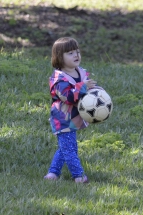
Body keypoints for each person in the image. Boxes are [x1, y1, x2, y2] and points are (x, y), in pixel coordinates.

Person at [44, 37, 96, 183]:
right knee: (70, 149)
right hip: (62, 119)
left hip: (75, 118)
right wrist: (83, 87)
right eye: (70, 53)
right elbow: (66, 96)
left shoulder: (81, 73)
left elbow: (90, 89)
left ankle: (52, 174)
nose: (76, 55)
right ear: (59, 57)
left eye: (77, 51)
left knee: (64, 147)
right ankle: (78, 176)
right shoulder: (58, 79)